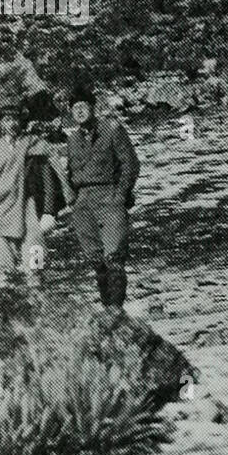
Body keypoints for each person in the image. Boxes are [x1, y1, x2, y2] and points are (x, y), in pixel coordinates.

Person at [63, 82, 140, 310]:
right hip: (83, 203)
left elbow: (131, 164)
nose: (79, 111)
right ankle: (108, 312)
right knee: (96, 260)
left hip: (109, 196)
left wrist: (120, 195)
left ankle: (116, 313)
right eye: (74, 107)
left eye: (83, 106)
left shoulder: (112, 129)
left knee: (114, 257)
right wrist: (73, 201)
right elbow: (70, 173)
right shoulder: (72, 139)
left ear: (93, 107)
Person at [0, 95, 64, 291]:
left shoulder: (34, 145)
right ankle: (6, 304)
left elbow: (47, 179)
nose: (12, 124)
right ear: (1, 122)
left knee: (35, 255)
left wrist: (49, 211)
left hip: (29, 207)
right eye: (7, 119)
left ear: (22, 121)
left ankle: (38, 297)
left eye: (16, 119)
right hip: (1, 210)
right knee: (3, 263)